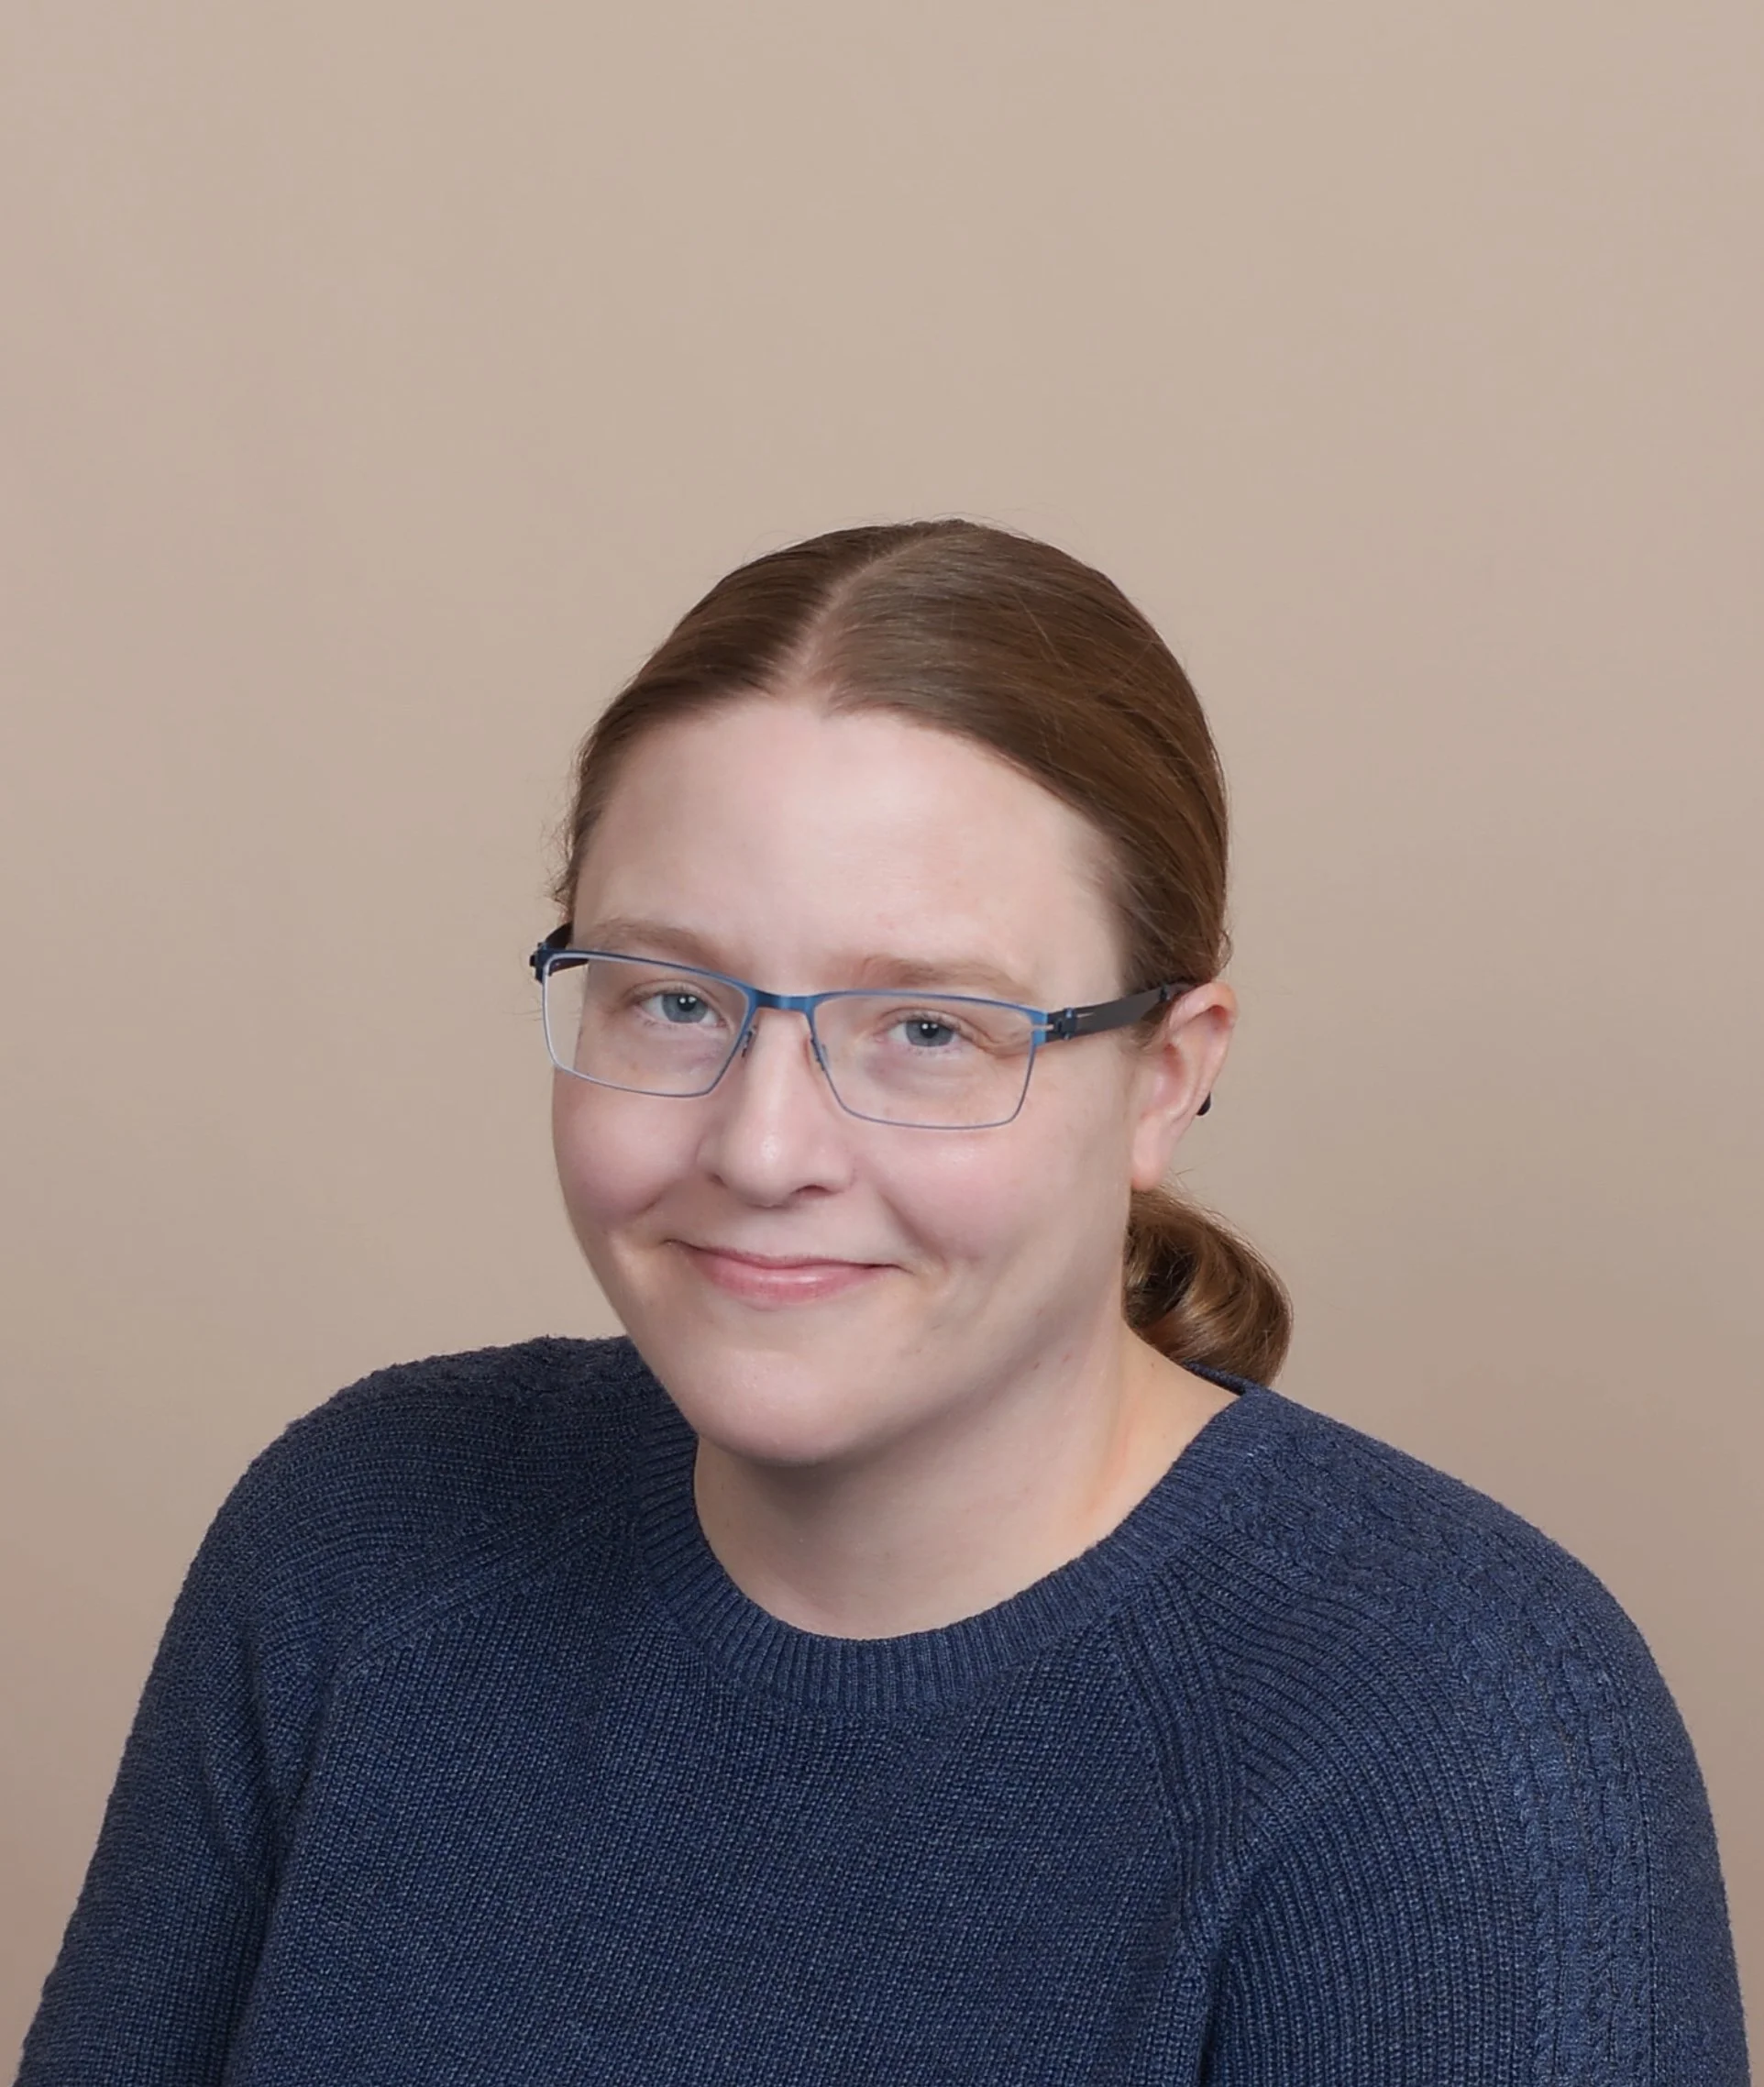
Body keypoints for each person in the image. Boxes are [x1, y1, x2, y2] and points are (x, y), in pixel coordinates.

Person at [17, 520, 1747, 2083]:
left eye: (928, 1028)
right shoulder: (362, 1536)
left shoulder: (1460, 1735)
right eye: (671, 1000)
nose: (764, 1145)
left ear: (1163, 1078)